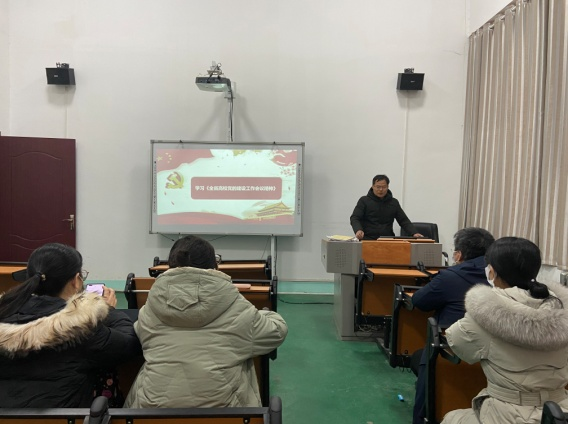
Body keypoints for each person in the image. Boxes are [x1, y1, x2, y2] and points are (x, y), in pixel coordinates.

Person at [124, 235, 288, 408]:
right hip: (227, 413)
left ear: (170, 266)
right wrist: (266, 313)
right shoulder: (236, 307)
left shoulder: (149, 308)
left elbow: (141, 332)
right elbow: (277, 331)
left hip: (151, 411)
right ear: (215, 267)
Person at [442, 237, 568, 424]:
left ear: (492, 271)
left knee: (452, 418)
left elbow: (456, 345)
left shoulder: (486, 314)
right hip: (560, 411)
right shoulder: (559, 307)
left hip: (509, 413)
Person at [0, 243, 142, 408]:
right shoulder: (81, 329)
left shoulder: (5, 314)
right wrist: (108, 311)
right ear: (76, 281)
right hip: (66, 417)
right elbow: (128, 345)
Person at [410, 227, 495, 424]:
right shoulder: (503, 278)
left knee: (422, 358)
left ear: (458, 255)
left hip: (449, 352)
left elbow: (419, 302)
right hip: (492, 362)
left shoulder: (450, 277)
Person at [350, 174, 423, 240]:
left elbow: (403, 221)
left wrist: (414, 233)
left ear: (388, 187)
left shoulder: (393, 202)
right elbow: (355, 218)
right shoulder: (364, 201)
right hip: (368, 239)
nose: (381, 190)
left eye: (384, 187)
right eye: (378, 187)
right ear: (372, 186)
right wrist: (358, 230)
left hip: (387, 239)